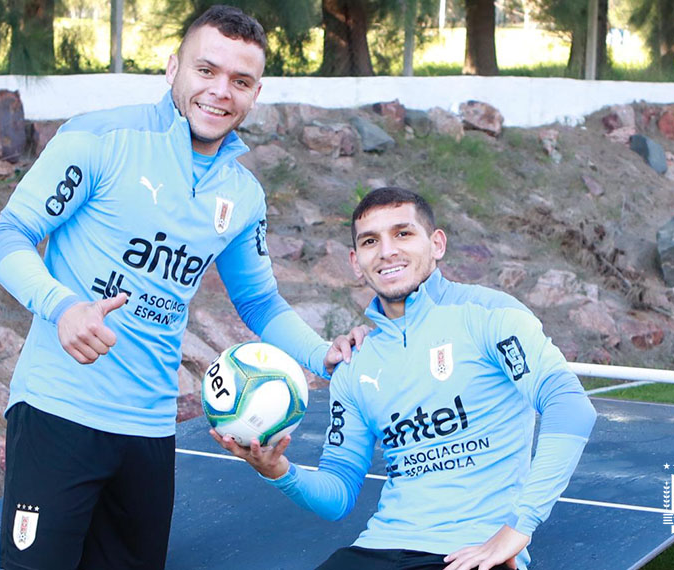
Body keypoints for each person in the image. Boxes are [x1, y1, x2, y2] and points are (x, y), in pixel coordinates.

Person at [0, 6, 361, 569]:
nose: (220, 91)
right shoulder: (99, 138)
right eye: (206, 70)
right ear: (172, 68)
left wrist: (320, 354)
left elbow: (258, 300)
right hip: (57, 413)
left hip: (150, 430)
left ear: (256, 93)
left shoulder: (243, 194)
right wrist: (63, 307)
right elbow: (8, 236)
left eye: (240, 81)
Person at [214, 187, 598, 570]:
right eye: (370, 241)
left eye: (403, 233)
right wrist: (278, 471)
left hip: (469, 554)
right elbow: (337, 495)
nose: (387, 251)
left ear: (437, 244)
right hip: (376, 550)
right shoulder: (354, 363)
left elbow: (569, 406)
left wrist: (520, 526)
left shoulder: (489, 314)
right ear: (355, 261)